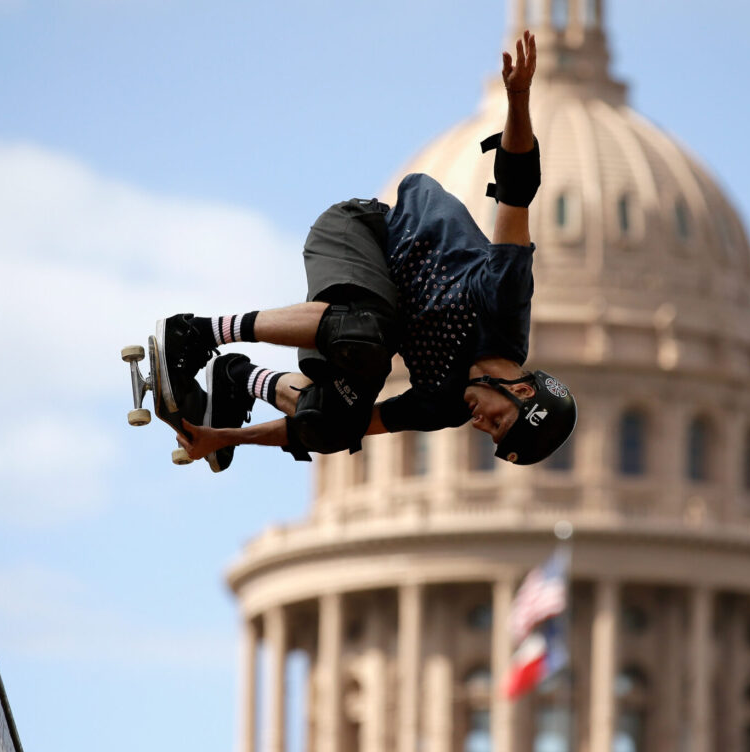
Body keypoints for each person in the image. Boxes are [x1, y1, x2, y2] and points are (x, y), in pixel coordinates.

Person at [154, 30, 575, 473]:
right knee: (365, 333)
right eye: (499, 420)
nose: (480, 424)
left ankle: (239, 379)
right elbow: (516, 191)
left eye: (492, 434)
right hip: (364, 234)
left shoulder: (443, 405)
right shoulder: (504, 305)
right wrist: (520, 97)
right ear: (523, 391)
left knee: (335, 421)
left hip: (370, 323)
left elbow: (354, 428)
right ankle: (199, 332)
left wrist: (223, 437)